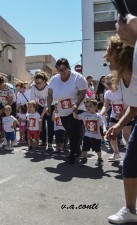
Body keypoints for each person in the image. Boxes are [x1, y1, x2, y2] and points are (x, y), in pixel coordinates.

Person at [104, 31, 137, 223]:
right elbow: (134, 107)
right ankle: (130, 210)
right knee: (130, 164)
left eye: (110, 52)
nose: (106, 57)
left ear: (124, 52)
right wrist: (117, 125)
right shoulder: (122, 78)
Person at [47, 58, 88, 164]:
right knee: (69, 131)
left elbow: (83, 92)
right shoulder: (54, 79)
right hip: (63, 110)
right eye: (60, 69)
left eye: (64, 68)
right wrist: (48, 106)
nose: (62, 71)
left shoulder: (77, 77)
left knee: (74, 131)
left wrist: (77, 104)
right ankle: (77, 149)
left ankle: (72, 154)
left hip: (77, 109)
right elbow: (50, 94)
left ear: (68, 68)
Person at [100, 75, 132, 161]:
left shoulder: (124, 91)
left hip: (126, 115)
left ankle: (131, 154)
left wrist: (122, 114)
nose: (108, 85)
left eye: (110, 83)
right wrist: (101, 113)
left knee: (126, 136)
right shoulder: (108, 93)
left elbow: (130, 105)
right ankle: (116, 153)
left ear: (116, 82)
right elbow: (105, 106)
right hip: (114, 116)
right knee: (111, 134)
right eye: (106, 83)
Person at [73, 99, 106, 166]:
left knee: (98, 149)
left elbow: (102, 124)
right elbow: (76, 117)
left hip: (97, 137)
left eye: (90, 106)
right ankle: (84, 158)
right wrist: (74, 110)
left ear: (95, 106)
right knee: (84, 148)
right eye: (86, 106)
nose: (88, 108)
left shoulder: (98, 116)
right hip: (87, 135)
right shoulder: (84, 114)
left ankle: (100, 159)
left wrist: (104, 130)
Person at [30, 70, 54, 149]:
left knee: (50, 124)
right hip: (40, 106)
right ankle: (43, 141)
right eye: (36, 83)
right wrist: (31, 112)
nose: (38, 85)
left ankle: (50, 143)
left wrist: (42, 115)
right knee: (41, 124)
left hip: (50, 105)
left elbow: (47, 104)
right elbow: (32, 101)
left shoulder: (49, 87)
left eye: (39, 83)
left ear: (44, 81)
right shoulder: (34, 87)